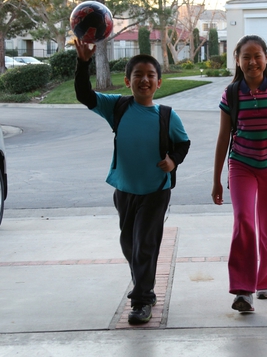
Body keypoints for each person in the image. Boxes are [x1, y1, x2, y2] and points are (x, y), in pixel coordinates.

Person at [74, 40, 190, 325]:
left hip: (155, 190)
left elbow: (183, 143)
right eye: (138, 74)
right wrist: (83, 62)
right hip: (125, 189)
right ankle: (143, 287)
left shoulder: (166, 115)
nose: (144, 80)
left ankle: (141, 300)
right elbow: (84, 95)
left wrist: (173, 160)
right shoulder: (118, 107)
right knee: (129, 244)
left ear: (159, 82)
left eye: (150, 75)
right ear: (128, 81)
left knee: (144, 246)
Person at [211, 34, 267, 312]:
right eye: (245, 57)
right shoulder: (232, 93)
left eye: (257, 55)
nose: (252, 61)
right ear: (237, 61)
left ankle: (266, 281)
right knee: (244, 221)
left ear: (266, 58)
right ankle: (243, 290)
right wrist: (216, 180)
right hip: (242, 165)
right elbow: (223, 137)